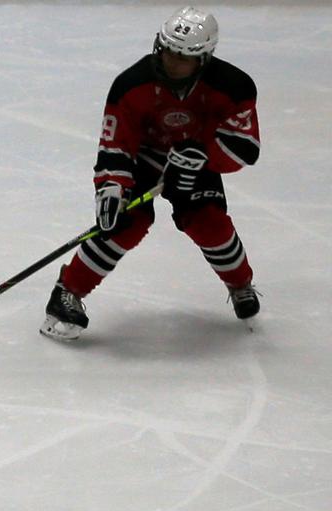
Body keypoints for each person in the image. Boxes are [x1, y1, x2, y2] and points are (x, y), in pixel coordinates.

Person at [42, 6, 261, 341]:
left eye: (182, 57)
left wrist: (203, 156)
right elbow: (116, 144)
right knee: (123, 223)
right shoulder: (131, 85)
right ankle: (67, 291)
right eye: (167, 51)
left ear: (203, 59)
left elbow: (245, 147)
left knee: (209, 223)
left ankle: (240, 284)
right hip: (143, 161)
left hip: (196, 162)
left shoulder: (235, 86)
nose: (171, 62)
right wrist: (111, 186)